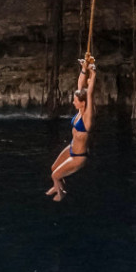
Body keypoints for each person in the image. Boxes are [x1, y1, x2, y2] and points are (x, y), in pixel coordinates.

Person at [46, 54, 96, 202]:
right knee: (52, 169)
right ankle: (58, 186)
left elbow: (90, 93)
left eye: (75, 101)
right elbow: (80, 86)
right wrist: (83, 69)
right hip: (72, 148)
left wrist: (93, 73)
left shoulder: (88, 116)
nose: (73, 103)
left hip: (79, 157)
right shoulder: (80, 111)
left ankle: (61, 194)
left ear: (82, 103)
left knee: (55, 175)